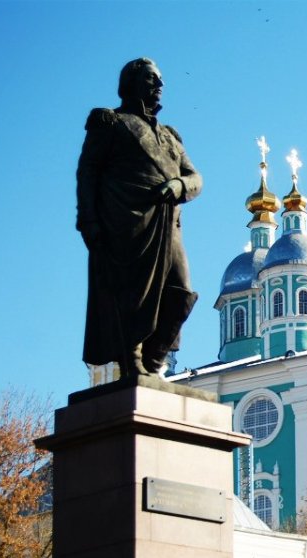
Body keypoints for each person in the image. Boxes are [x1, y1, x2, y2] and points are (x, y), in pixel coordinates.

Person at [76, 58, 201, 378]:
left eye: (160, 80)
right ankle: (131, 361)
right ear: (130, 84)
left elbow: (195, 177)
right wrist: (88, 220)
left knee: (181, 292)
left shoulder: (170, 136)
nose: (158, 86)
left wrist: (180, 184)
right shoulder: (111, 122)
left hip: (167, 223)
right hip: (126, 220)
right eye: (150, 79)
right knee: (130, 293)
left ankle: (154, 358)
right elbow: (87, 172)